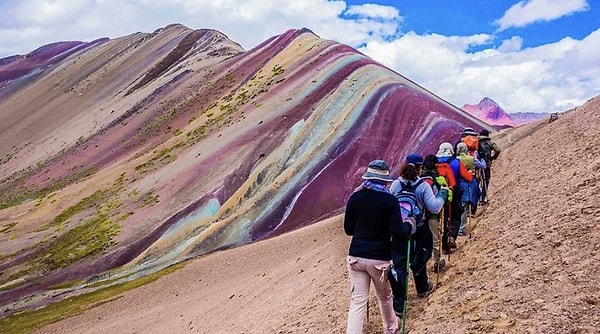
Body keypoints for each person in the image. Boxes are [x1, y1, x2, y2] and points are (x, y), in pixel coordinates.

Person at [344, 159, 399, 334]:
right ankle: (390, 328)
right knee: (384, 297)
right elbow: (397, 231)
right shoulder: (390, 200)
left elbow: (348, 229)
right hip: (380, 258)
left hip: (356, 256)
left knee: (358, 301)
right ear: (385, 180)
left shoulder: (355, 197)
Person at [388, 154, 448, 316]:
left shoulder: (395, 185)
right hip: (419, 229)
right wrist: (442, 195)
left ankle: (399, 304)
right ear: (420, 168)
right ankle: (422, 287)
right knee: (420, 257)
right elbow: (434, 208)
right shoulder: (422, 186)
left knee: (400, 265)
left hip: (399, 230)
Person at [436, 142, 473, 252]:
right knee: (455, 216)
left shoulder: (434, 162)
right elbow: (467, 177)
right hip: (453, 193)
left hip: (436, 194)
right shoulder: (456, 162)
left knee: (441, 219)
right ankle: (450, 237)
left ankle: (441, 245)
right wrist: (471, 173)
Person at [419, 154, 451, 273]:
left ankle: (419, 263)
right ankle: (437, 261)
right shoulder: (439, 179)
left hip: (419, 214)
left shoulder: (418, 179)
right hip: (433, 214)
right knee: (435, 238)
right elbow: (446, 197)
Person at [455, 142, 486, 235]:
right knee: (466, 205)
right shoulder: (472, 159)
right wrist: (483, 159)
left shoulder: (455, 160)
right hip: (470, 182)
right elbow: (483, 166)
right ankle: (461, 227)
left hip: (459, 183)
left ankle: (457, 227)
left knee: (460, 205)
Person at [477, 129, 501, 204]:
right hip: (487, 164)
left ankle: (476, 198)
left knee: (477, 181)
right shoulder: (489, 142)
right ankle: (482, 198)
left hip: (477, 165)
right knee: (486, 180)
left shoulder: (476, 142)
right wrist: (493, 158)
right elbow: (497, 150)